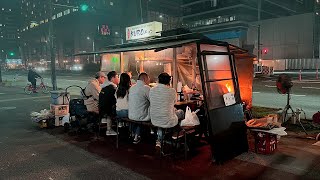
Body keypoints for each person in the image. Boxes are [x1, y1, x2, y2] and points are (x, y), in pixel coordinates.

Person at [149, 72, 184, 147]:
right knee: (181, 112)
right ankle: (176, 132)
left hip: (154, 119)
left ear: (158, 80)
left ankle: (159, 140)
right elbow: (175, 102)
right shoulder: (172, 91)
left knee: (162, 118)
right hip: (167, 120)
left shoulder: (151, 90)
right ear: (169, 81)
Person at [128, 72, 151, 144]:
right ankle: (137, 135)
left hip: (130, 115)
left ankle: (134, 133)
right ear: (144, 79)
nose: (149, 81)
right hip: (141, 116)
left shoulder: (132, 87)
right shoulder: (146, 88)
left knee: (140, 110)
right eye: (148, 79)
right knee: (149, 110)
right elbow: (153, 100)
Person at [99, 71, 120, 136]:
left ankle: (106, 121)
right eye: (117, 77)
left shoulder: (104, 87)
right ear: (113, 78)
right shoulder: (113, 88)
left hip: (102, 109)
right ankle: (110, 129)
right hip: (109, 111)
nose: (118, 79)